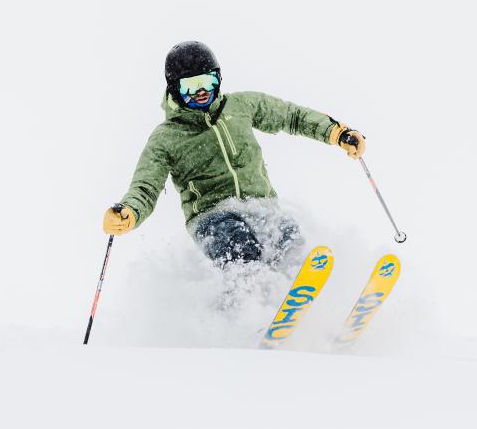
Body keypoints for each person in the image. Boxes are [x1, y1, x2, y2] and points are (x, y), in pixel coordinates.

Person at [102, 41, 365, 266]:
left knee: (288, 242)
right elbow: (145, 187)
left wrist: (336, 133)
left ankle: (302, 304)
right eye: (190, 87)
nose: (201, 92)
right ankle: (242, 312)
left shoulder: (240, 106)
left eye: (207, 82)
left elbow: (291, 116)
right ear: (174, 89)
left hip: (261, 205)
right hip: (212, 217)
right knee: (240, 248)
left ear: (218, 79)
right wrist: (129, 211)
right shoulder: (166, 137)